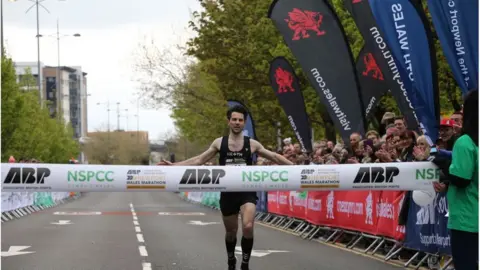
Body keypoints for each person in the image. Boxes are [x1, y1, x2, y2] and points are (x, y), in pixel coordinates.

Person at [158, 105, 294, 270]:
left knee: (248, 226)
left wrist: (298, 167)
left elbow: (274, 156)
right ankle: (231, 260)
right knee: (231, 232)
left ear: (244, 123)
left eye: (240, 120)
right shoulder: (219, 143)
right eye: (234, 119)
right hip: (228, 193)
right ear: (229, 121)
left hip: (246, 192)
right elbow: (198, 160)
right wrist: (174, 165)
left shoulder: (251, 144)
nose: (237, 123)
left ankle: (245, 263)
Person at [433, 89, 478, 270]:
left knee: (465, 264)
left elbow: (462, 179)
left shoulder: (465, 142)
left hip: (467, 216)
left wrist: (443, 165)